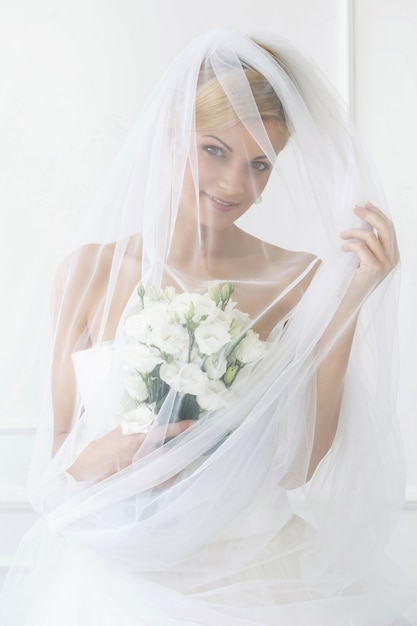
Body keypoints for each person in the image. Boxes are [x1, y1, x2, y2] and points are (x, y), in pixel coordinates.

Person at [0, 28, 415, 625]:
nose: (234, 186)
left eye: (259, 165)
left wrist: (350, 298)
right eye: (214, 150)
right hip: (118, 583)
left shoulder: (300, 280)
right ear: (170, 134)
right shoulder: (87, 273)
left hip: (255, 576)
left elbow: (301, 463)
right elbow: (59, 466)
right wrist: (115, 454)